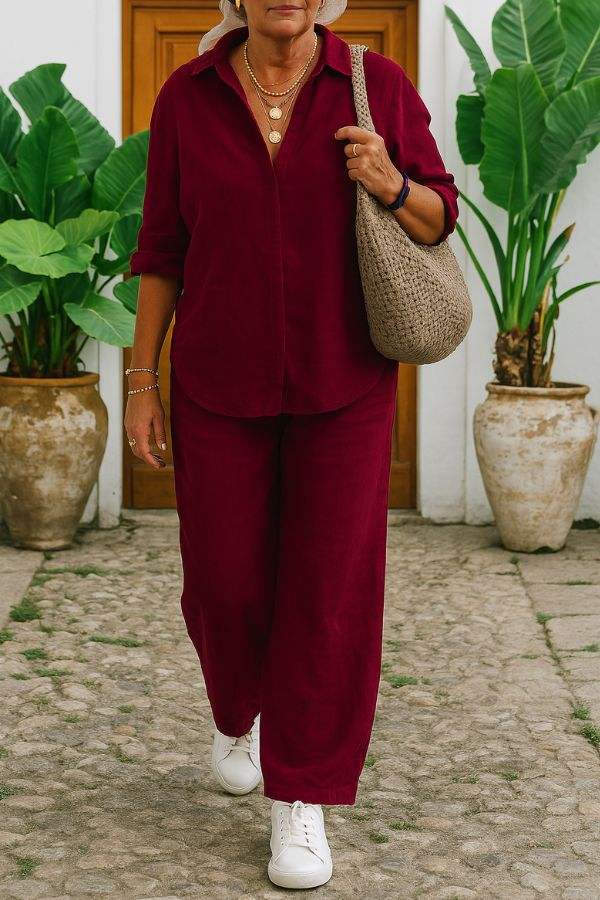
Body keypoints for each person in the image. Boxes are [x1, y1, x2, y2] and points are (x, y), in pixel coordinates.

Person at [125, 0, 458, 888]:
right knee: (225, 581)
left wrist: (389, 178)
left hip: (343, 383)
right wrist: (140, 384)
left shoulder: (375, 86)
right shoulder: (187, 97)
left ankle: (300, 801)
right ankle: (240, 711)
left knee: (328, 597)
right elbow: (162, 248)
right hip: (216, 384)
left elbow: (438, 217)